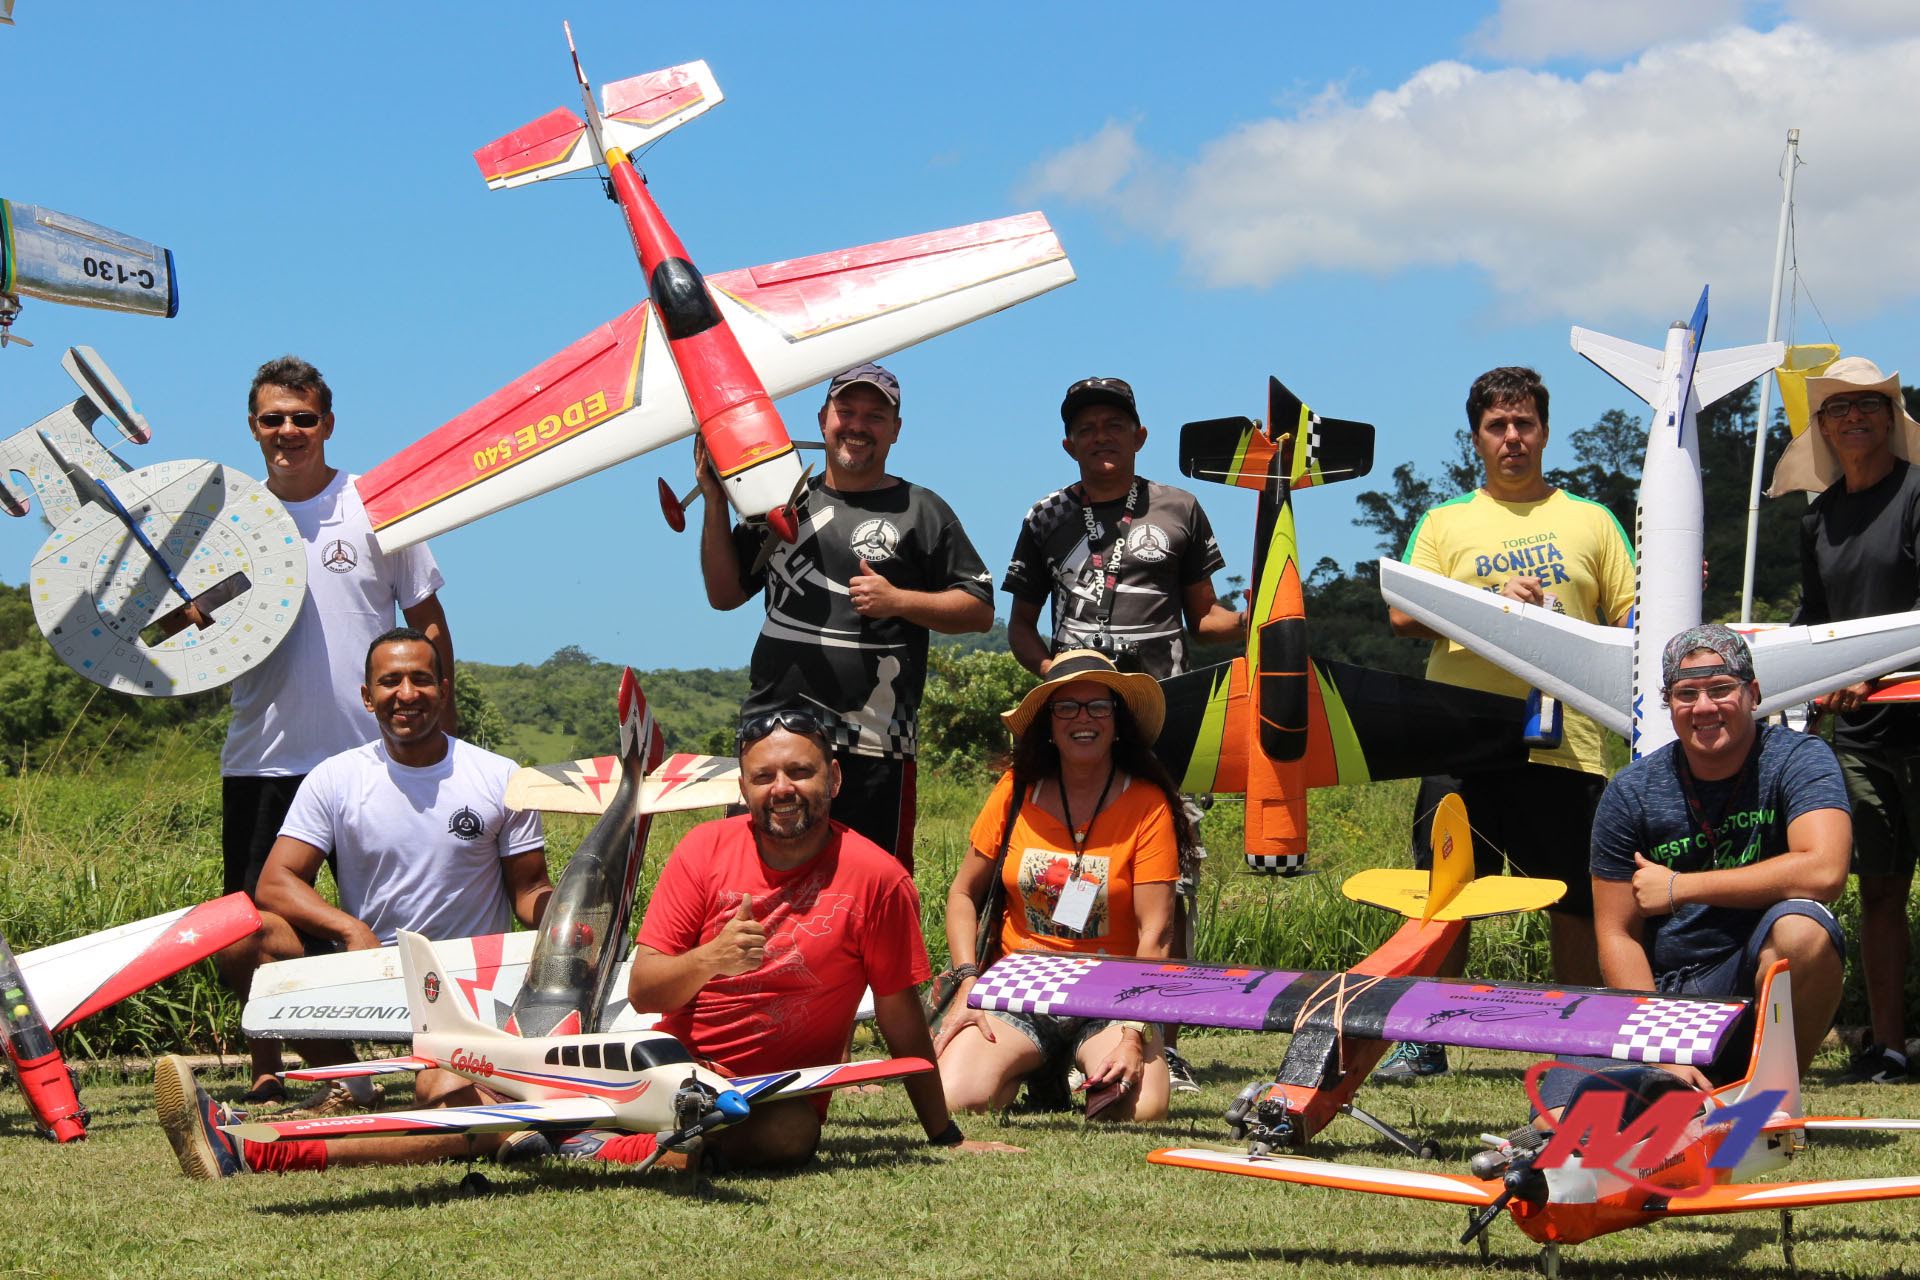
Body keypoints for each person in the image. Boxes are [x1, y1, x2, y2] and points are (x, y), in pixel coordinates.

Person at [157, 711, 1007, 1178]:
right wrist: (712, 961)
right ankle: (246, 1143)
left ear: (834, 778)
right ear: (743, 785)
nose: (784, 789)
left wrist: (942, 1136)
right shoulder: (704, 851)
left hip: (760, 1099)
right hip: (664, 1067)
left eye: (802, 772)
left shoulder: (878, 878)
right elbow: (648, 992)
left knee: (788, 1139)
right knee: (458, 1101)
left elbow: (901, 1018)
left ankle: (579, 1141)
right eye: (765, 776)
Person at [1382, 365, 1635, 1077]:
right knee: (1444, 891)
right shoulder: (1443, 523)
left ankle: (1578, 1040)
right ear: (1476, 439)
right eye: (1497, 426)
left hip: (1566, 740)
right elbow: (1402, 614)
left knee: (1575, 897)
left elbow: (1631, 616)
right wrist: (1492, 600)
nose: (1512, 437)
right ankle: (1423, 1039)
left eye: (1525, 423)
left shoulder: (1592, 520)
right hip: (1459, 737)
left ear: (1546, 432)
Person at [217, 355, 455, 1101]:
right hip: (263, 753)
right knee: (248, 922)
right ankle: (274, 1066)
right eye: (273, 419)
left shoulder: (374, 504)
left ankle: (414, 1054)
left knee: (379, 911)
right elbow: (184, 628)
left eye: (303, 418)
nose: (288, 431)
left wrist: (440, 729)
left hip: (370, 755)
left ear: (327, 423)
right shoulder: (230, 520)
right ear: (253, 428)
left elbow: (428, 619)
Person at [1002, 376, 1243, 1090]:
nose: (1101, 436)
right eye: (1087, 427)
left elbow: (1205, 617)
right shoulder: (1045, 516)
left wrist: (1264, 614)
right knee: (1063, 863)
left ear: (1140, 436)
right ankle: (1055, 1028)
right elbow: (1020, 626)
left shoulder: (1179, 508)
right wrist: (1053, 676)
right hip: (1074, 720)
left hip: (1163, 719)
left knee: (1172, 879)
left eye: (1115, 424)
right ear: (1068, 443)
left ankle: (1160, 1036)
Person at [1523, 625, 1851, 1122]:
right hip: (1669, 998)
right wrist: (1659, 1045)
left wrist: (1679, 887)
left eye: (1721, 689)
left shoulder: (1799, 758)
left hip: (1753, 984)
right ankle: (1676, 1095)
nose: (1704, 707)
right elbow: (1617, 934)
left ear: (1753, 693)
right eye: (1686, 694)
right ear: (1668, 703)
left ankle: (1769, 1105)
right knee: (1560, 1115)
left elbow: (1825, 870)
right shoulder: (1631, 791)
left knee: (1803, 929)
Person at [217, 627, 550, 1114]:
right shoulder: (335, 777)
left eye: (421, 679)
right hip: (372, 968)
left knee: (437, 1094)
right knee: (242, 936)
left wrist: (576, 915)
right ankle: (351, 1083)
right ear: (367, 697)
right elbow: (275, 882)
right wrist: (350, 930)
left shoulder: (500, 776)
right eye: (390, 681)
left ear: (444, 690)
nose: (407, 694)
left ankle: (456, 1068)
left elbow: (530, 890)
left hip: (470, 976)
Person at [697, 363, 994, 869]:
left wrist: (899, 601)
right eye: (846, 412)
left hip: (876, 746)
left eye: (875, 416)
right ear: (822, 419)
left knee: (874, 889)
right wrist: (713, 500)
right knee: (756, 886)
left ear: (896, 430)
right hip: (774, 739)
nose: (858, 425)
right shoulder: (783, 501)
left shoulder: (921, 510)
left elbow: (979, 609)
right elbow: (724, 594)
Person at [934, 650, 1184, 1121]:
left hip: (1114, 991)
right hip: (1020, 985)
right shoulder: (1015, 790)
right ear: (1048, 723)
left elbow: (1157, 933)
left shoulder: (1148, 805)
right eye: (1066, 707)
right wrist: (969, 983)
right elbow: (963, 893)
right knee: (954, 1097)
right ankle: (1035, 1066)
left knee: (1140, 1110)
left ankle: (1071, 1063)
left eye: (1098, 706)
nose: (1082, 719)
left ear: (1117, 721)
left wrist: (1133, 1034)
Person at [1782, 357, 1920, 1084]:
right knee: (1880, 890)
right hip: (1860, 735)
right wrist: (1786, 678)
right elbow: (1815, 621)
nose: (1856, 416)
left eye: (1870, 404)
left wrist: (1875, 673)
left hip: (1915, 715)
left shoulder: (1918, 493)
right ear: (1824, 429)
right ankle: (1889, 1047)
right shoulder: (1818, 519)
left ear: (1891, 418)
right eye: (1839, 408)